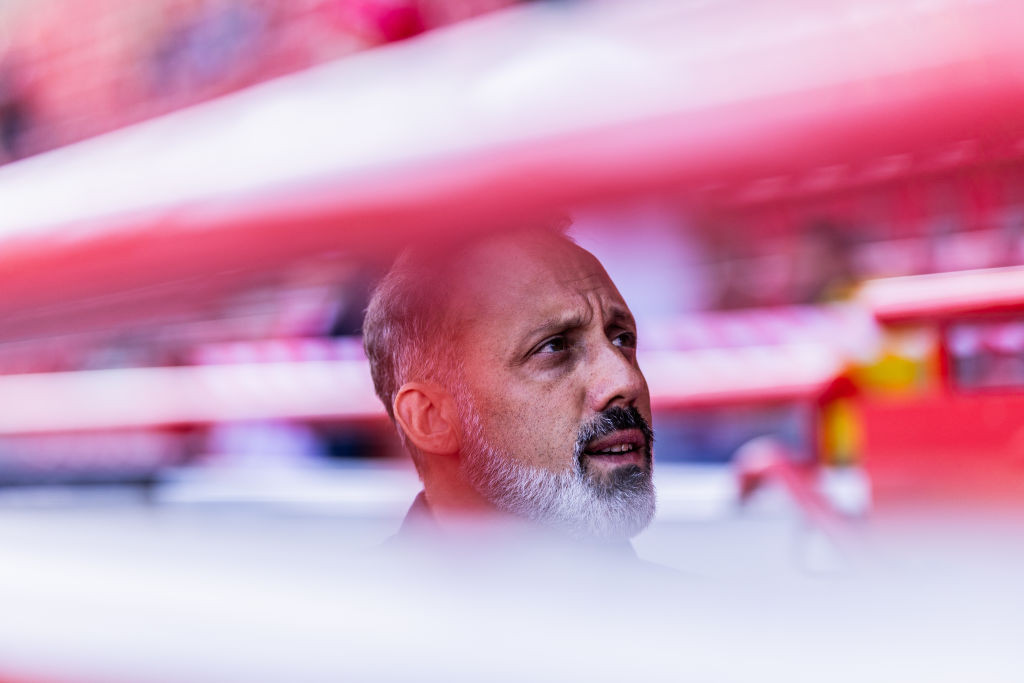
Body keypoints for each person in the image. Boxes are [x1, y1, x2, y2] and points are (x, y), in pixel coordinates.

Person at [363, 222, 656, 550]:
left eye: (622, 339)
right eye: (554, 346)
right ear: (431, 418)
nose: (627, 381)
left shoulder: (698, 595)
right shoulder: (339, 585)